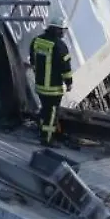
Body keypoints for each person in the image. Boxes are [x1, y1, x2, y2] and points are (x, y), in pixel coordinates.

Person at [29, 15, 73, 146]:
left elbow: (33, 60)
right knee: (52, 114)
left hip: (40, 86)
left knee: (45, 110)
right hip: (53, 89)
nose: (64, 33)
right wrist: (69, 83)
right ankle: (47, 139)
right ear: (58, 30)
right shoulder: (60, 46)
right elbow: (66, 68)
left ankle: (42, 131)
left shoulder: (37, 41)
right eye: (63, 30)